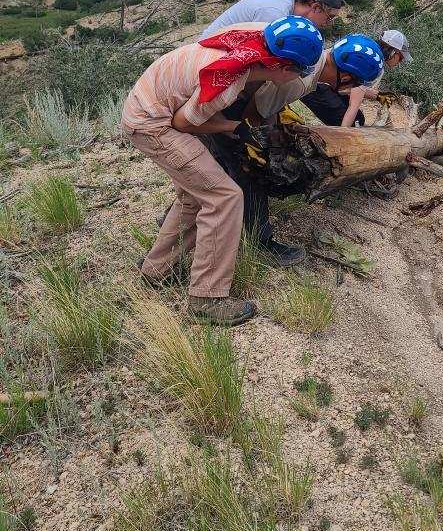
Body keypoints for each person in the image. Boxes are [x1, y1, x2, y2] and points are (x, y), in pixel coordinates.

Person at [121, 16, 324, 326]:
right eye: (302, 72)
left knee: (195, 195)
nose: (302, 77)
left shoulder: (257, 37)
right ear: (283, 68)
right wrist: (234, 127)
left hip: (148, 103)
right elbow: (183, 123)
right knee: (224, 196)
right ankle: (206, 299)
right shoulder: (226, 80)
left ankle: (157, 270)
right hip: (152, 124)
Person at [214, 34, 385, 247]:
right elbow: (252, 114)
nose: (353, 88)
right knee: (251, 171)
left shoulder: (313, 62)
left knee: (221, 167)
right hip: (223, 104)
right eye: (356, 83)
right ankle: (260, 242)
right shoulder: (300, 80)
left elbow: (268, 104)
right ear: (346, 76)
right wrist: (262, 143)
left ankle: (205, 212)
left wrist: (275, 127)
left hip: (229, 96)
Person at [305, 29, 411, 128]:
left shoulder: (367, 49)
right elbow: (353, 105)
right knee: (357, 121)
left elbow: (352, 89)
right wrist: (343, 132)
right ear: (393, 52)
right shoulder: (372, 65)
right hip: (316, 86)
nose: (400, 62)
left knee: (357, 117)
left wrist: (378, 96)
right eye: (401, 57)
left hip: (313, 75)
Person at [200, 0, 344, 38]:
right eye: (330, 17)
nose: (328, 23)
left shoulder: (286, 9)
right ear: (316, 7)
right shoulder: (274, 14)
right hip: (208, 54)